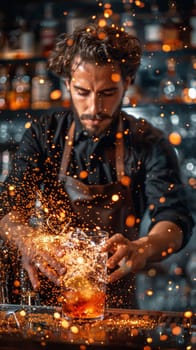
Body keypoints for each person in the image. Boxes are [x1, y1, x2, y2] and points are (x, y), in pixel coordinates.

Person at [0, 22, 193, 309]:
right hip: (45, 304)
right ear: (67, 84)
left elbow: (175, 220)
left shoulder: (148, 142)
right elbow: (9, 210)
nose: (93, 108)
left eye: (106, 93)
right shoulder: (44, 134)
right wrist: (27, 241)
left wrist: (142, 248)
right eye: (82, 92)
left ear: (127, 83)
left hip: (115, 301)